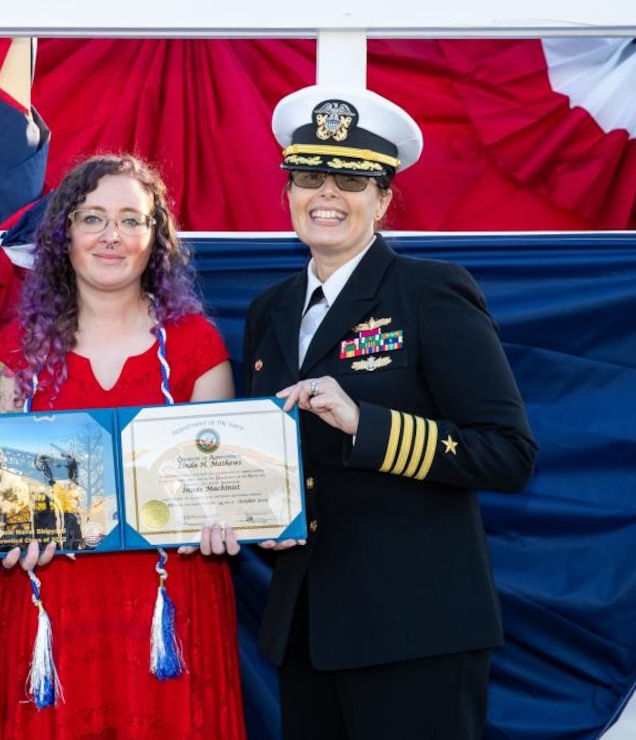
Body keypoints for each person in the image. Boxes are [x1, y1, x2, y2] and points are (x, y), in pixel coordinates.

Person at [243, 85, 538, 739]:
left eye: (350, 180)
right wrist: (255, 511)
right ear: (287, 192)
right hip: (305, 629)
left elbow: (508, 453)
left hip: (414, 630)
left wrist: (365, 424)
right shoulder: (271, 309)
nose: (326, 195)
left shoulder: (429, 291)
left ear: (382, 199)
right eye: (308, 177)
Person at [0, 154, 246, 738]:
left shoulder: (196, 346)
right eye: (93, 217)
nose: (112, 236)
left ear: (156, 239)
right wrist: (4, 535)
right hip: (49, 602)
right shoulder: (15, 352)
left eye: (132, 220)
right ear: (64, 234)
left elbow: (222, 489)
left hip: (170, 608)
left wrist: (227, 520)